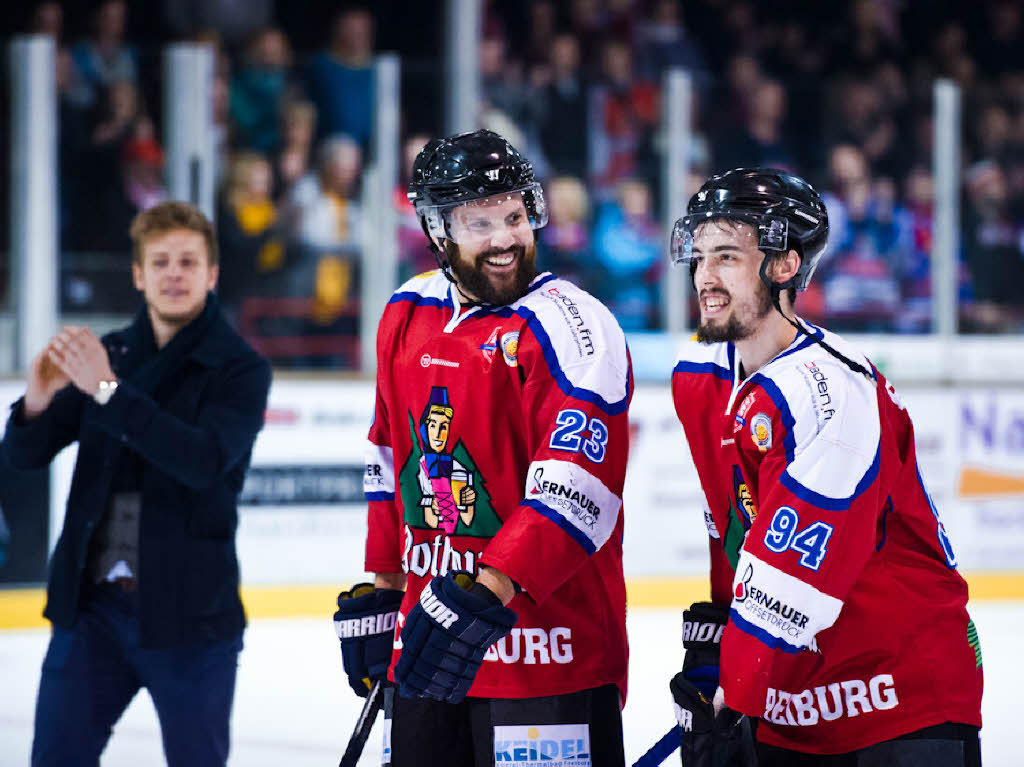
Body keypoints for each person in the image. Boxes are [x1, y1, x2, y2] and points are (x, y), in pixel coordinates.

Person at [333, 129, 632, 766]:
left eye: (515, 217)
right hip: (429, 649)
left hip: (548, 656)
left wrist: (484, 592)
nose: (503, 239)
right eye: (480, 222)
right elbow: (389, 456)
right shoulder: (406, 310)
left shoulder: (573, 326)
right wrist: (387, 587)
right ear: (440, 232)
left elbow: (579, 489)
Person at [666, 168, 983, 766]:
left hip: (900, 698)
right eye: (700, 254)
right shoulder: (700, 376)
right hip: (792, 705)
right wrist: (714, 636)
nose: (705, 277)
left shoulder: (832, 393)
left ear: (784, 265)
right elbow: (733, 525)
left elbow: (795, 573)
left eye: (728, 255)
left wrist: (736, 693)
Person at [2, 201, 271, 767]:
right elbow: (26, 456)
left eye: (188, 262)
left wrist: (107, 390)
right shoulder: (112, 354)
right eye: (161, 261)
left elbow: (201, 461)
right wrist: (37, 399)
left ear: (211, 274)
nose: (174, 273)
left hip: (190, 618)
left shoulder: (240, 369)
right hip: (92, 612)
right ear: (139, 274)